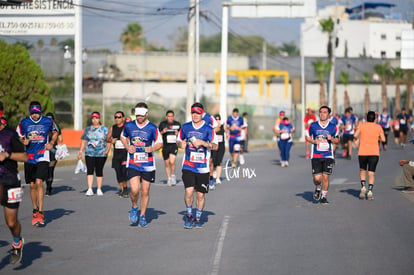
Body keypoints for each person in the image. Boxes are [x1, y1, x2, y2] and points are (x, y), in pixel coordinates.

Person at [121, 102, 163, 227]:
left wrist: (152, 148)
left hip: (148, 164)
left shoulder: (152, 127)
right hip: (133, 162)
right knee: (134, 190)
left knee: (145, 191)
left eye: (141, 115)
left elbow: (160, 143)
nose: (139, 117)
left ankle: (143, 215)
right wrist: (128, 146)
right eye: (137, 114)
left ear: (147, 114)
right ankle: (134, 206)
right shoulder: (129, 126)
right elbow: (123, 137)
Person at [16, 101, 58, 226]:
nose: (35, 115)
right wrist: (23, 141)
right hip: (29, 156)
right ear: (30, 112)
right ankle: (35, 209)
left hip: (42, 156)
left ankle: (40, 210)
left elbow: (55, 132)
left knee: (39, 181)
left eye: (37, 112)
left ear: (40, 111)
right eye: (33, 113)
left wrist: (51, 143)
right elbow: (19, 135)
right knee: (32, 184)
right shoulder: (24, 123)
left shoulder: (47, 121)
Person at [177, 102, 218, 229]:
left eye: (198, 113)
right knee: (189, 191)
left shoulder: (208, 129)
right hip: (188, 165)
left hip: (203, 168)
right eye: (193, 113)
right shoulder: (185, 127)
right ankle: (189, 214)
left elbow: (215, 146)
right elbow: (178, 140)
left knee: (200, 194)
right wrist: (181, 144)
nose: (195, 115)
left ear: (202, 114)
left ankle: (198, 217)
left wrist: (204, 143)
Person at [1, 115, 28, 264]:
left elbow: (25, 157)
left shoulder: (10, 134)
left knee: (11, 223)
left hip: (10, 181)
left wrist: (7, 155)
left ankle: (17, 242)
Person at [305, 105, 340, 204]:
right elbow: (307, 137)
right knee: (317, 178)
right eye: (320, 112)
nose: (322, 114)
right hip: (316, 155)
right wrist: (314, 141)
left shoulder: (333, 127)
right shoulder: (313, 125)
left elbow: (337, 140)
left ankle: (324, 197)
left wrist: (332, 139)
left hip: (328, 155)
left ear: (329, 115)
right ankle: (317, 187)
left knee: (326, 176)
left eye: (325, 112)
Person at [353, 111, 386, 200]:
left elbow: (355, 135)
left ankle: (363, 186)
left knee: (362, 170)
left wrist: (356, 139)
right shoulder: (378, 127)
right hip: (374, 153)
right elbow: (383, 139)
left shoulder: (361, 125)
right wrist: (376, 137)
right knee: (371, 173)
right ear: (375, 118)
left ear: (366, 117)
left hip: (363, 152)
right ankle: (370, 191)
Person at [78, 112, 110, 197]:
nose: (94, 120)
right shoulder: (88, 129)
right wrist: (80, 151)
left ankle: (99, 189)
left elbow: (108, 140)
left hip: (101, 153)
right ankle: (90, 189)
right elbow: (84, 140)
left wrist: (107, 150)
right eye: (93, 118)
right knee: (90, 170)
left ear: (99, 119)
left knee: (99, 171)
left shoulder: (104, 129)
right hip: (89, 153)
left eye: (96, 118)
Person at [106, 111, 128, 198]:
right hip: (116, 154)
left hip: (125, 154)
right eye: (116, 117)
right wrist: (111, 140)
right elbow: (107, 138)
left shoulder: (126, 128)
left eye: (119, 117)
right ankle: (123, 189)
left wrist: (127, 142)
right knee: (118, 173)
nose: (117, 119)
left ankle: (125, 189)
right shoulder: (112, 128)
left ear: (123, 118)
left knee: (124, 171)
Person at [158, 110, 181, 186]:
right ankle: (169, 178)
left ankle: (173, 175)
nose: (170, 118)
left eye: (172, 116)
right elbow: (158, 135)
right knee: (167, 163)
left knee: (172, 161)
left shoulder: (177, 124)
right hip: (165, 146)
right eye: (169, 116)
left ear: (173, 117)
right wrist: (162, 132)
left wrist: (178, 134)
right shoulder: (162, 124)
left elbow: (181, 136)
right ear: (166, 117)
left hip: (174, 145)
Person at [45, 113, 63, 196]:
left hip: (51, 150)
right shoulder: (44, 127)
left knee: (49, 169)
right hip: (48, 151)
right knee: (48, 170)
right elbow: (61, 139)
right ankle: (48, 186)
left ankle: (48, 188)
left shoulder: (54, 127)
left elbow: (60, 139)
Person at [211, 114, 225, 185]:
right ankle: (213, 172)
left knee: (219, 162)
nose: (217, 121)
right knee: (212, 162)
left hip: (221, 147)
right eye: (216, 119)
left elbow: (227, 131)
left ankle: (218, 178)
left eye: (218, 119)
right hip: (213, 147)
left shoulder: (223, 126)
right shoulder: (212, 128)